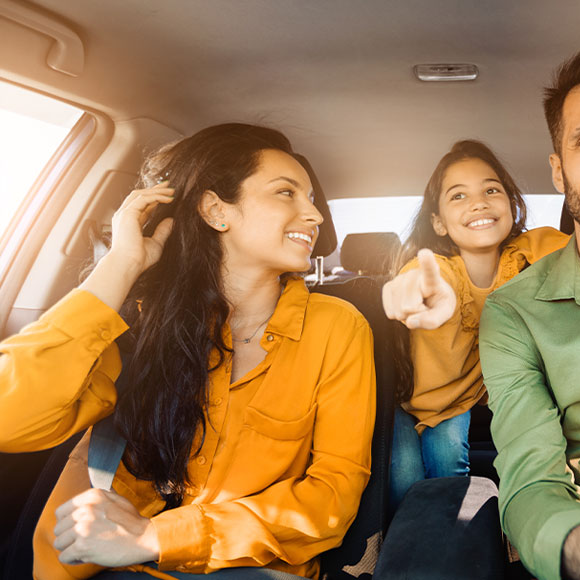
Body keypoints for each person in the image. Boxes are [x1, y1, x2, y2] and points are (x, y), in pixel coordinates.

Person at [0, 123, 376, 579]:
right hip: (96, 568)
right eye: (286, 193)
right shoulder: (138, 323)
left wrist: (155, 537)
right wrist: (119, 267)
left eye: (312, 199)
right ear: (216, 209)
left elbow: (334, 492)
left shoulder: (337, 326)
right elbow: (9, 422)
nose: (315, 216)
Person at [382, 140, 568, 507]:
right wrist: (413, 289)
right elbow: (422, 277)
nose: (478, 202)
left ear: (512, 205)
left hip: (456, 403)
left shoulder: (531, 253)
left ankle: (449, 546)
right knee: (403, 480)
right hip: (401, 400)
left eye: (491, 190)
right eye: (458, 196)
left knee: (449, 479)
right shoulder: (437, 270)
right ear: (438, 222)